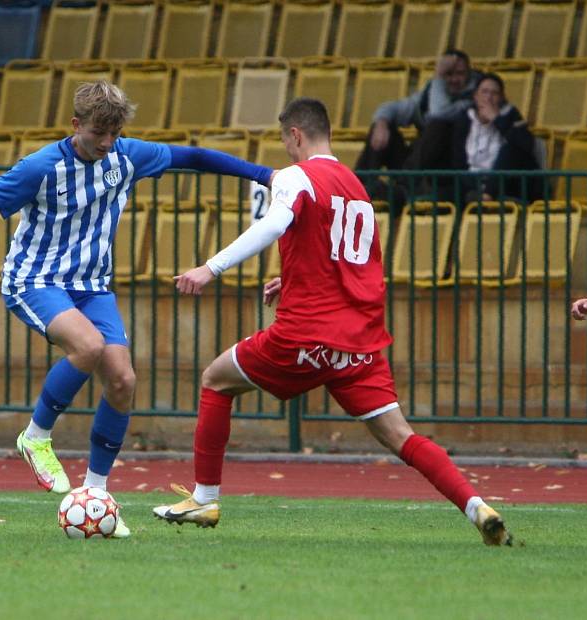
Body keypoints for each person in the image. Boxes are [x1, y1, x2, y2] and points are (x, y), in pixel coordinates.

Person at [0, 81, 273, 539]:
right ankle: (36, 436)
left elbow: (196, 158)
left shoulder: (126, 155)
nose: (106, 143)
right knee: (87, 346)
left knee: (122, 381)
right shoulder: (40, 167)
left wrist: (265, 175)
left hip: (91, 287)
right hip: (35, 280)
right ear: (76, 125)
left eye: (114, 133)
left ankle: (96, 494)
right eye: (99, 132)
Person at [152, 97, 512, 546]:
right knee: (400, 435)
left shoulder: (297, 177)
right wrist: (292, 276)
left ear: (295, 136)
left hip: (305, 335)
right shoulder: (355, 185)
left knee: (215, 380)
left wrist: (211, 267)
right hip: (358, 342)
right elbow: (349, 257)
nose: (286, 152)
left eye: (286, 142)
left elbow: (273, 224)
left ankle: (204, 499)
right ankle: (477, 507)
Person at [356, 49, 480, 174]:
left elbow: (439, 113)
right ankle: (359, 186)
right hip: (418, 164)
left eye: (459, 74)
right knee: (380, 126)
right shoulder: (428, 94)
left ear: (469, 74)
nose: (454, 79)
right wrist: (382, 124)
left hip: (448, 168)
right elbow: (391, 108)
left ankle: (407, 183)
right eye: (448, 74)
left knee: (438, 126)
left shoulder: (477, 96)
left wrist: (439, 76)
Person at [451, 72, 542, 204]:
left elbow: (526, 145)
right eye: (484, 92)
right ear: (475, 96)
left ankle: (487, 197)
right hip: (473, 181)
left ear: (501, 97)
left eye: (494, 93)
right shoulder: (465, 118)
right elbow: (458, 160)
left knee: (511, 148)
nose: (488, 98)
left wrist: (497, 119)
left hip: (508, 184)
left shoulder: (511, 114)